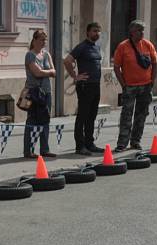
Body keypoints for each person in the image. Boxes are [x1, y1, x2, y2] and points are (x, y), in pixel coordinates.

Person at [113, 20, 157, 152]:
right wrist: (124, 84)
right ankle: (122, 143)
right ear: (132, 32)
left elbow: (155, 64)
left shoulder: (148, 45)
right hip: (130, 87)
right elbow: (116, 67)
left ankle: (135, 141)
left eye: (143, 30)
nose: (142, 33)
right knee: (126, 115)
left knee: (141, 114)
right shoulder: (123, 46)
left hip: (146, 86)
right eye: (139, 30)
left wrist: (152, 81)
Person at [64, 22, 105, 156]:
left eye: (98, 31)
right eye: (94, 31)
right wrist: (75, 76)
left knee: (92, 116)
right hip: (85, 86)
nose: (97, 34)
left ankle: (89, 143)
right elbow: (67, 61)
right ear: (88, 32)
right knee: (83, 115)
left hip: (95, 85)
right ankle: (79, 146)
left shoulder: (97, 47)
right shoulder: (82, 47)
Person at [23, 30, 57, 159]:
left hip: (46, 92)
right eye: (42, 39)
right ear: (35, 40)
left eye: (45, 39)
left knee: (45, 120)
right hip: (34, 92)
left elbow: (54, 71)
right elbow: (36, 73)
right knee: (32, 120)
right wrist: (48, 72)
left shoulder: (46, 54)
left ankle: (45, 149)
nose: (44, 42)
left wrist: (45, 71)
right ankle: (28, 150)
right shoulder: (30, 55)